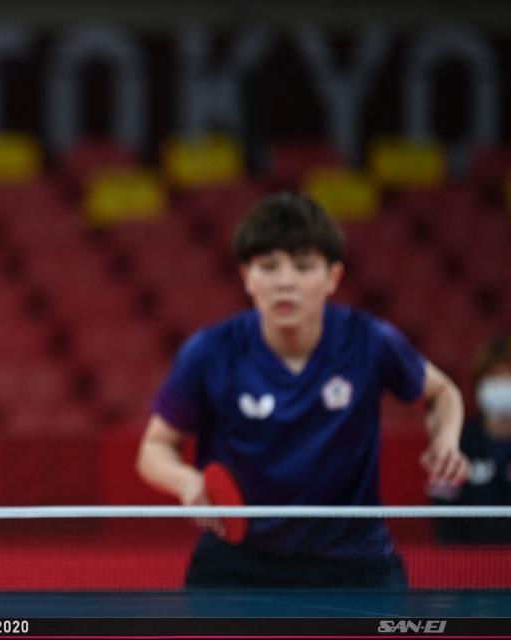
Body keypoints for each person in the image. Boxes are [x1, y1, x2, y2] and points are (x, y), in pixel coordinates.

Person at [135, 193, 470, 589]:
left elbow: (443, 393)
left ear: (333, 277)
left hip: (353, 564)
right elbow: (154, 448)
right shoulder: (210, 352)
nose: (285, 282)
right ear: (247, 277)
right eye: (268, 266)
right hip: (237, 565)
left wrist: (446, 439)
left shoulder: (370, 341)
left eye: (304, 266)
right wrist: (185, 480)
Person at [431, 334, 511, 543]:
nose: (503, 385)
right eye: (494, 376)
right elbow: (443, 516)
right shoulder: (456, 441)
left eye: (509, 377)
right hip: (470, 562)